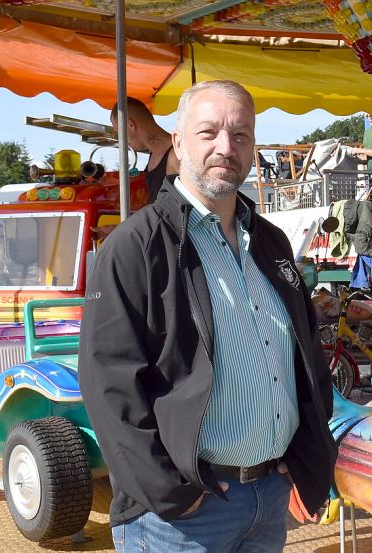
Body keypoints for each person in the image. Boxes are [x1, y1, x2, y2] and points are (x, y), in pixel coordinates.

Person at [79, 80, 337, 553]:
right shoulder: (136, 247)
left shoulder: (271, 242)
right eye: (209, 132)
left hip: (268, 498)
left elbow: (307, 356)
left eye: (240, 135)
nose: (226, 147)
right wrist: (169, 493)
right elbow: (108, 385)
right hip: (182, 519)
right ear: (177, 142)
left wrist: (306, 457)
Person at [109, 97, 180, 204]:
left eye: (120, 132)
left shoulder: (177, 155)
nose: (122, 140)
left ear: (130, 124)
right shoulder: (154, 154)